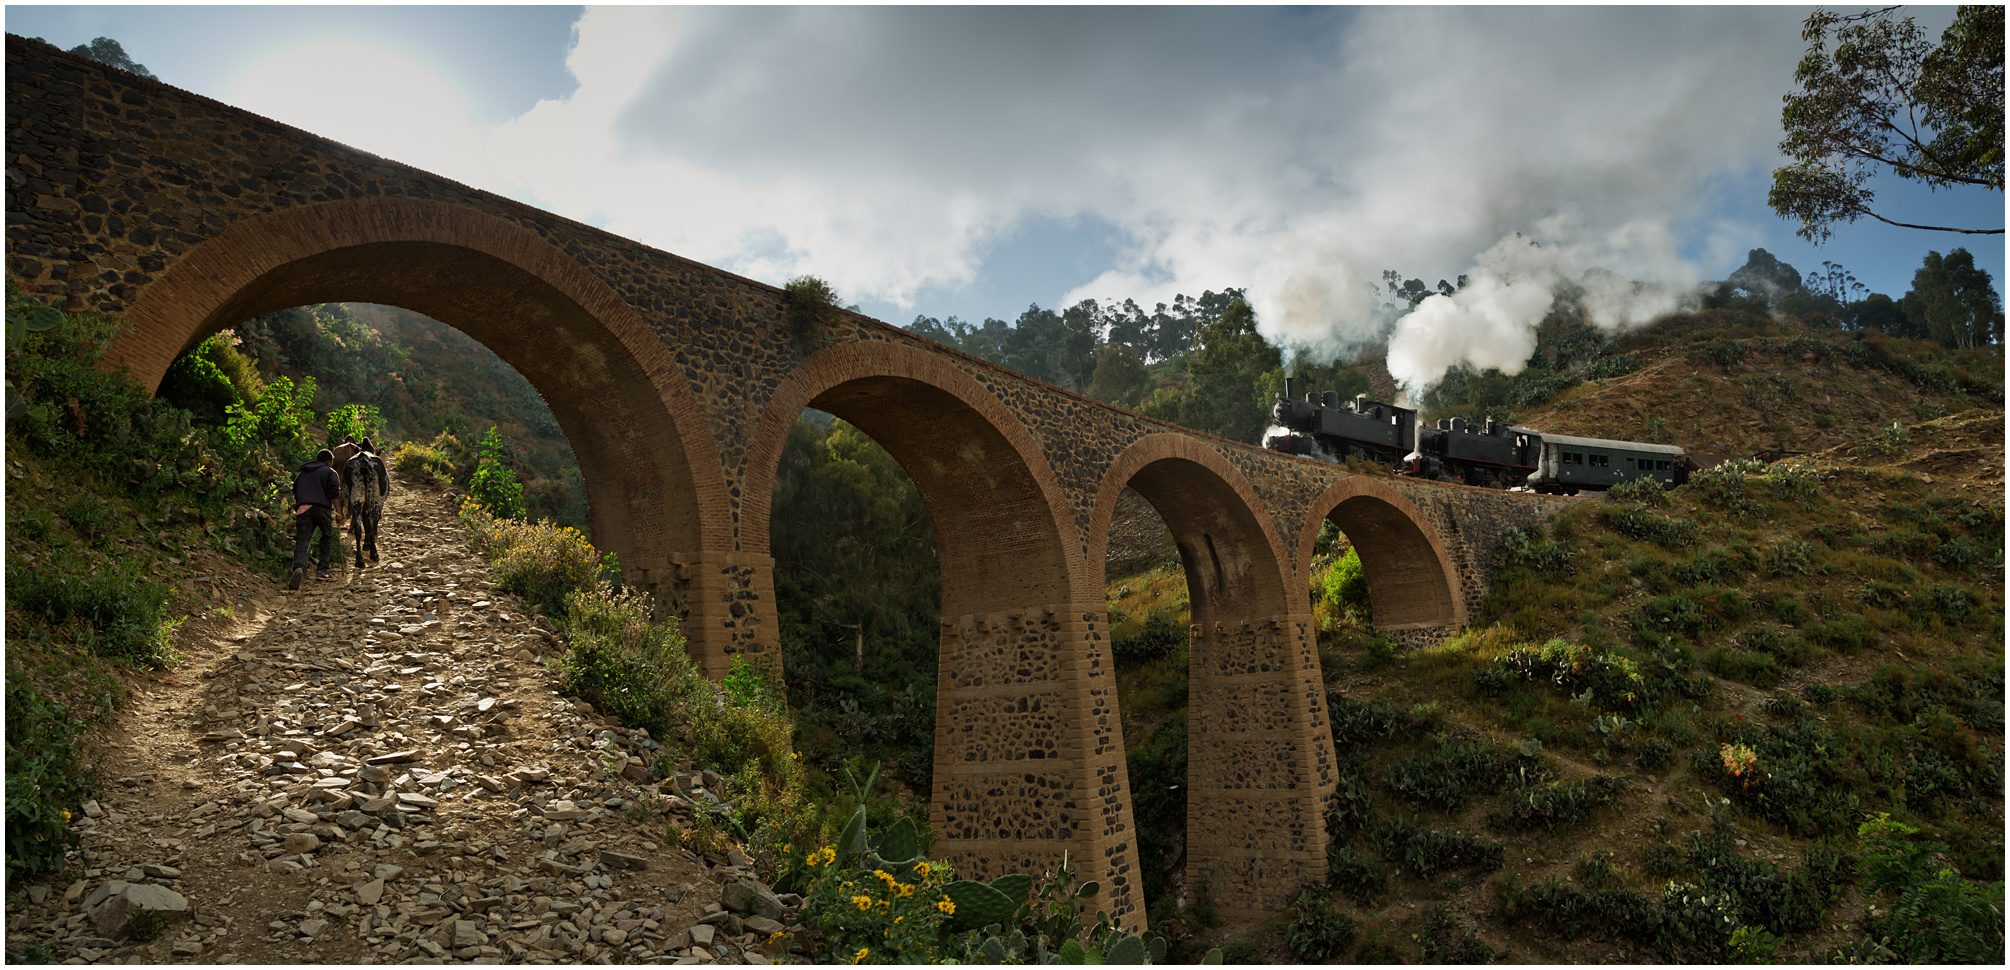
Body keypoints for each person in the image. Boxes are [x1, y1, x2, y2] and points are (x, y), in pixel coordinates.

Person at [289, 448, 341, 589]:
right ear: (328, 461)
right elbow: (334, 493)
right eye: (331, 462)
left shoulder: (302, 473)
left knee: (303, 539)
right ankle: (322, 570)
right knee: (327, 536)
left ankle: (298, 568)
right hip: (322, 508)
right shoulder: (330, 472)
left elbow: (295, 489)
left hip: (303, 508)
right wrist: (338, 512)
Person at [344, 438, 392, 567]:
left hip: (355, 490)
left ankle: (359, 557)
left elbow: (346, 490)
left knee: (357, 518)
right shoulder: (377, 461)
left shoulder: (351, 463)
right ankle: (373, 550)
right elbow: (384, 491)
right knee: (373, 514)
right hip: (375, 488)